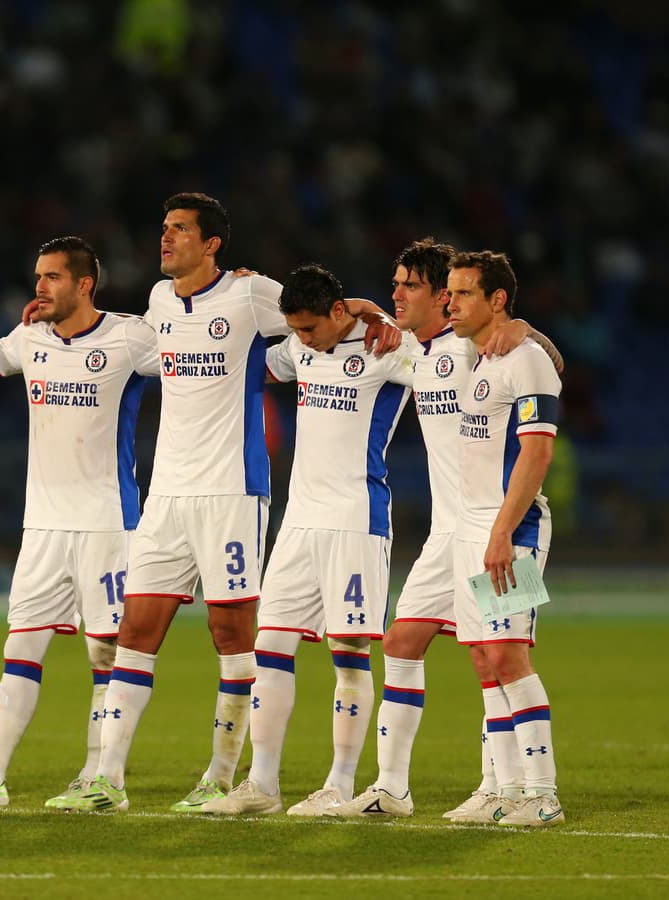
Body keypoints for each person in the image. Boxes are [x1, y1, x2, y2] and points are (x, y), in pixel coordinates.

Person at [57, 194, 398, 813]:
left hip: (233, 491)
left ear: (212, 244)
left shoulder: (250, 294)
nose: (165, 238)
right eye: (163, 228)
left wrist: (370, 312)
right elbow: (124, 340)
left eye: (180, 230)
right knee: (135, 630)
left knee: (232, 630)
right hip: (166, 493)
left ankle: (222, 776)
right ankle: (107, 778)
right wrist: (54, 315)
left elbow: (322, 313)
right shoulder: (160, 302)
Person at [325, 238, 564, 820]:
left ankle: (530, 791)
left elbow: (547, 370)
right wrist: (358, 304)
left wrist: (527, 328)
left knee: (501, 657)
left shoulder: (495, 350)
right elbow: (340, 322)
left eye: (417, 286)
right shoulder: (417, 352)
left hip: (509, 526)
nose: (401, 294)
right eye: (398, 283)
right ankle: (393, 789)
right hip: (449, 533)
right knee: (404, 641)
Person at [0, 236, 159, 807]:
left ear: (83, 284)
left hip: (108, 523)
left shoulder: (129, 337)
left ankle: (105, 781)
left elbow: (198, 351)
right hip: (43, 527)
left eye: (51, 277)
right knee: (20, 649)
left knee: (108, 654)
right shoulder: (31, 339)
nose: (39, 287)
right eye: (37, 277)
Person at [199, 264, 416, 816]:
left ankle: (340, 785)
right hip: (298, 523)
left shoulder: (384, 347)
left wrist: (378, 312)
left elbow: (450, 363)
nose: (302, 340)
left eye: (311, 329)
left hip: (355, 519)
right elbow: (247, 360)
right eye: (294, 330)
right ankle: (262, 785)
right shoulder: (297, 350)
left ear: (338, 313)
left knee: (349, 654)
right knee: (269, 647)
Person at [446, 250, 564, 827]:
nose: (450, 303)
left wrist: (500, 532)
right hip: (471, 529)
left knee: (510, 656)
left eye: (464, 293)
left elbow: (538, 451)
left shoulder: (526, 357)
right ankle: (503, 786)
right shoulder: (473, 355)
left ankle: (542, 795)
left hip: (512, 530)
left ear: (497, 300)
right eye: (450, 293)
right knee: (485, 661)